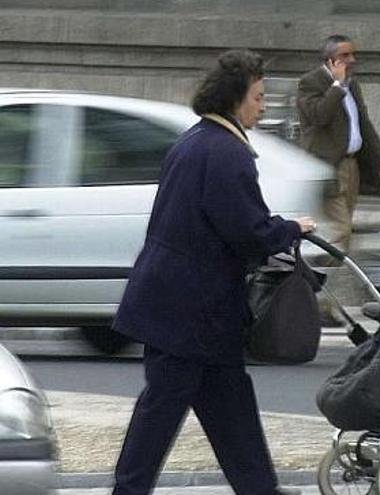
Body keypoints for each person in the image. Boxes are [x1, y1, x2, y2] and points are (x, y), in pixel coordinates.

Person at [111, 49, 312, 495]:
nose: (263, 106)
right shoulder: (227, 153)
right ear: (236, 99)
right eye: (259, 98)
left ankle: (260, 489)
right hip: (191, 310)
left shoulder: (194, 141)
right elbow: (247, 231)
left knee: (229, 408)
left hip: (189, 308)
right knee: (162, 413)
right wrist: (291, 228)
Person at [296, 34, 380, 255]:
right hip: (328, 166)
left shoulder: (352, 84)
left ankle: (336, 275)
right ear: (330, 60)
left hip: (352, 166)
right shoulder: (311, 82)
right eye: (345, 55)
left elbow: (363, 124)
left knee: (345, 227)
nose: (352, 59)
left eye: (353, 54)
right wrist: (336, 85)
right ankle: (327, 277)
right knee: (340, 229)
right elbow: (319, 116)